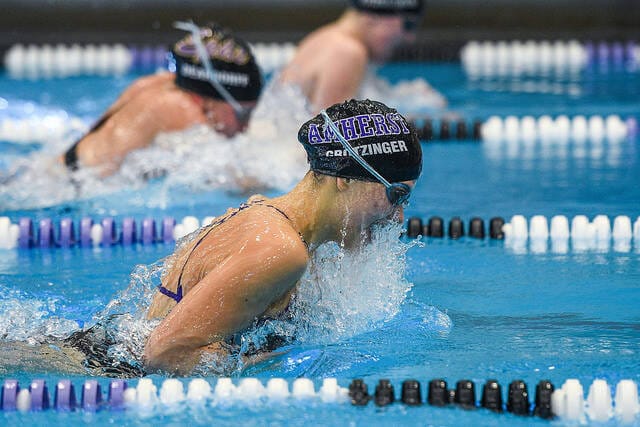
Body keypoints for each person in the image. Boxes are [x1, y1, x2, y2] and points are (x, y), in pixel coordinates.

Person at [142, 98, 423, 375]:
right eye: (395, 195)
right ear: (345, 178)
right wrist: (279, 361)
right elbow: (163, 354)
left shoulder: (272, 217)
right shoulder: (280, 249)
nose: (398, 217)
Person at [59, 22, 263, 176]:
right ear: (209, 100)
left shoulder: (156, 83)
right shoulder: (180, 110)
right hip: (73, 191)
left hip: (58, 169)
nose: (245, 126)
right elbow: (234, 180)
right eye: (242, 113)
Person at [280, 0, 443, 111]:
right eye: (408, 24)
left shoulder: (328, 38)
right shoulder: (347, 53)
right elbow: (329, 139)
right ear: (375, 16)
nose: (409, 37)